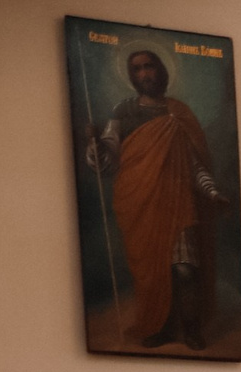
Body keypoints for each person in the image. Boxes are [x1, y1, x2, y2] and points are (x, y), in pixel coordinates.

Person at [84, 47, 227, 349]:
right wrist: (98, 151)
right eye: (137, 69)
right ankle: (162, 328)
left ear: (161, 71)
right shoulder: (124, 111)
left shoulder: (178, 114)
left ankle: (190, 329)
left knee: (186, 269)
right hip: (141, 204)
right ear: (132, 76)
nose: (145, 73)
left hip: (178, 203)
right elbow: (110, 155)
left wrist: (212, 192)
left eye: (149, 66)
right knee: (154, 274)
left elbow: (194, 164)